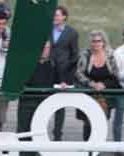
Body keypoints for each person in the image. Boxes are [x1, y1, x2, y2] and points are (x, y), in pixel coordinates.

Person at [74, 30, 121, 141]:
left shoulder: (110, 55)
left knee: (102, 121)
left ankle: (97, 148)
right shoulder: (85, 55)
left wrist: (103, 85)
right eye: (93, 41)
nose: (96, 44)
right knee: (88, 121)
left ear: (104, 42)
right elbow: (78, 73)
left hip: (105, 94)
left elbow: (115, 75)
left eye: (99, 41)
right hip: (88, 92)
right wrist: (91, 83)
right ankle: (87, 149)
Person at [17, 41, 55, 153]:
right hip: (27, 101)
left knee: (38, 129)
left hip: (43, 102)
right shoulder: (27, 63)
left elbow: (57, 81)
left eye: (47, 48)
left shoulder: (52, 64)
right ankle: (23, 153)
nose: (44, 50)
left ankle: (35, 153)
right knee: (24, 128)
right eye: (42, 47)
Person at [49, 6, 79, 141]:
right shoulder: (46, 30)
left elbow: (75, 55)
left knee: (59, 106)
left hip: (63, 74)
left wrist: (67, 75)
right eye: (54, 15)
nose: (55, 18)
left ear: (64, 17)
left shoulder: (71, 33)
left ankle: (57, 136)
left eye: (57, 15)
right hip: (47, 71)